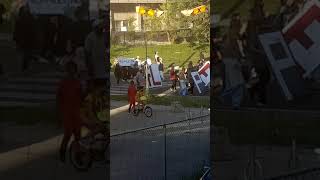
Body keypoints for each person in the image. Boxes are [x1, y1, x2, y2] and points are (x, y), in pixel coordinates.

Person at [56, 61, 82, 163]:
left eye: (73, 69)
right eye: (69, 69)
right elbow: (58, 99)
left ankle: (78, 156)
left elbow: (81, 96)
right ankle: (62, 151)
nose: (71, 72)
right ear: (67, 71)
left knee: (78, 136)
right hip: (67, 112)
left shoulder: (77, 82)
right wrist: (58, 114)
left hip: (76, 111)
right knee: (67, 134)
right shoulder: (63, 83)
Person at [85, 18, 108, 94]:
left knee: (103, 85)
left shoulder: (102, 37)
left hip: (103, 65)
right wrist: (90, 66)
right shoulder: (90, 37)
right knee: (95, 86)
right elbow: (87, 53)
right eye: (100, 27)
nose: (102, 28)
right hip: (94, 65)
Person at [13, 6, 35, 72]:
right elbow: (16, 30)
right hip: (25, 39)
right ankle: (24, 67)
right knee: (25, 53)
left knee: (25, 53)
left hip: (25, 39)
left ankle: (24, 67)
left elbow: (16, 30)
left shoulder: (21, 19)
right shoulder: (29, 19)